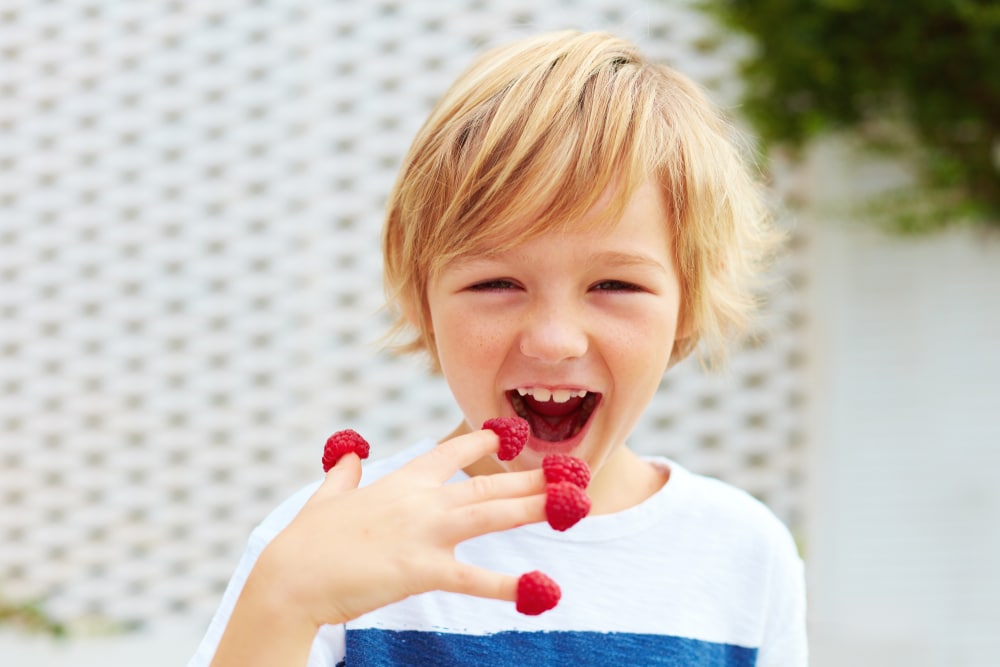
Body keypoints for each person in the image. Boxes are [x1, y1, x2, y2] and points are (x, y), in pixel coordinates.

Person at [189, 29, 807, 666]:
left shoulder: (745, 553)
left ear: (689, 302)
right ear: (421, 301)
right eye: (496, 283)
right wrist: (284, 602)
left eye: (614, 284)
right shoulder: (332, 541)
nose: (554, 341)